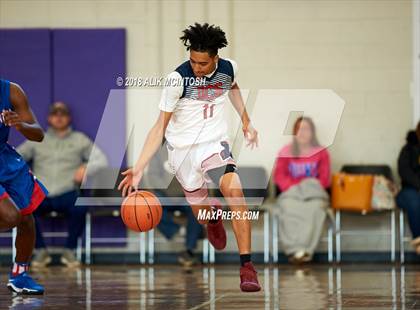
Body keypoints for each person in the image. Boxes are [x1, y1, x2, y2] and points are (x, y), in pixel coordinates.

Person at [118, 23, 261, 292]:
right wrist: (139, 167)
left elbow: (233, 87)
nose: (197, 67)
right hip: (183, 154)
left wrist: (246, 121)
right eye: (193, 61)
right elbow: (159, 126)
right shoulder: (177, 80)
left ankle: (247, 267)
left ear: (215, 59)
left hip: (214, 146)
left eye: (203, 63)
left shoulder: (229, 68)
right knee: (202, 215)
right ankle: (213, 219)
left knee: (234, 190)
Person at [17, 102, 108, 267]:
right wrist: (23, 175)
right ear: (49, 118)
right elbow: (16, 157)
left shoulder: (80, 139)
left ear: (69, 118)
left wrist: (86, 167)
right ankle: (40, 251)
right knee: (25, 208)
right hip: (42, 194)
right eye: (55, 114)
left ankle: (69, 251)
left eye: (63, 114)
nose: (59, 118)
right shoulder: (38, 138)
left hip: (68, 192)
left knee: (80, 206)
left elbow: (102, 160)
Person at [0, 79, 48, 294]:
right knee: (11, 216)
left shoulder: (11, 91)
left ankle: (19, 276)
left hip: (4, 158)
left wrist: (19, 124)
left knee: (27, 219)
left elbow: (38, 134)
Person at [273, 117, 330, 263]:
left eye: (306, 129)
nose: (302, 133)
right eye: (299, 129)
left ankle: (306, 250)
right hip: (292, 193)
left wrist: (307, 186)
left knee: (317, 209)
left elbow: (324, 179)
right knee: (287, 207)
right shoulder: (285, 151)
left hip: (313, 193)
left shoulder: (322, 152)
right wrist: (297, 187)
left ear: (312, 132)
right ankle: (294, 250)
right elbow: (279, 177)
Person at [144, 142, 204, 267]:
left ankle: (189, 250)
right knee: (150, 205)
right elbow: (152, 176)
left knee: (196, 206)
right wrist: (169, 192)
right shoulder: (158, 152)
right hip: (164, 194)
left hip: (185, 195)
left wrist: (183, 191)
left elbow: (198, 175)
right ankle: (177, 231)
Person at [397, 121, 420, 254]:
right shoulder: (408, 149)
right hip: (408, 190)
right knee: (414, 201)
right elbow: (404, 171)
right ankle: (419, 239)